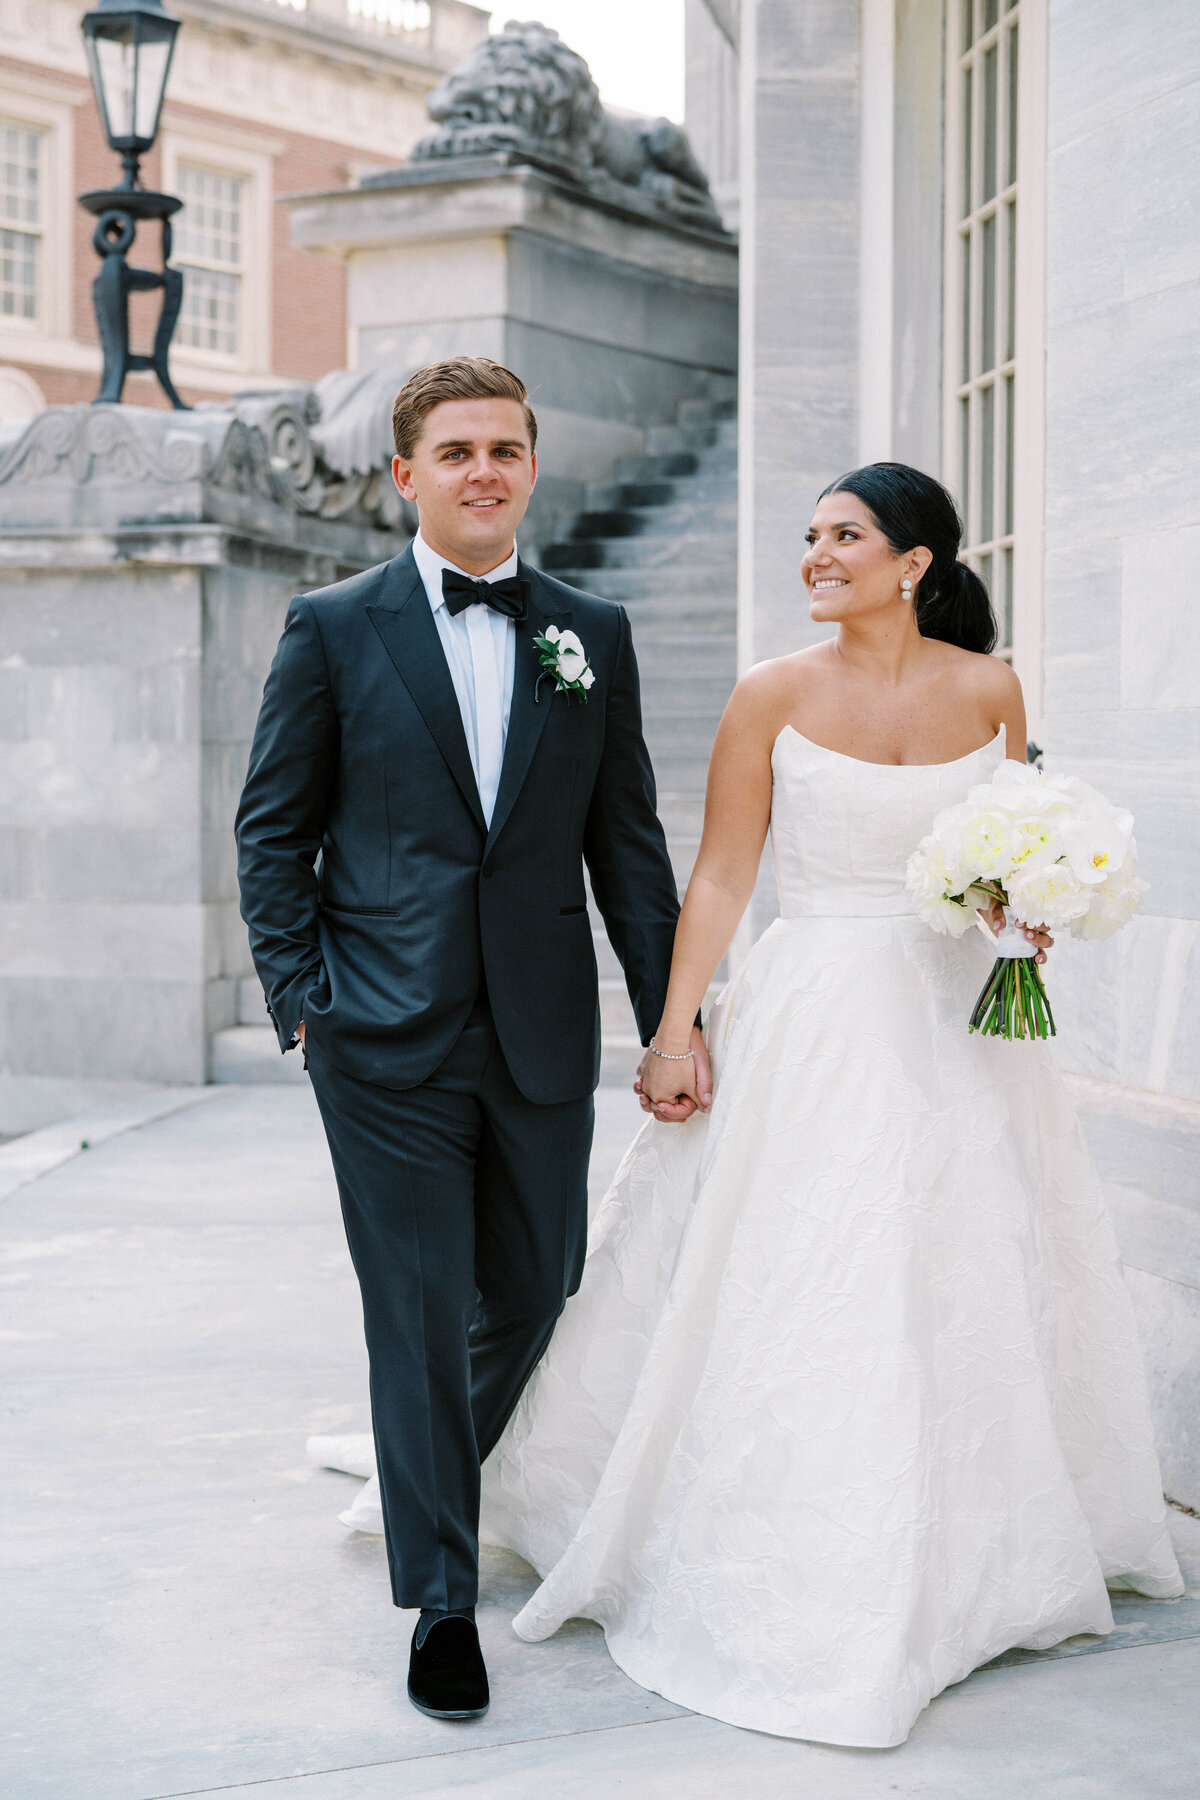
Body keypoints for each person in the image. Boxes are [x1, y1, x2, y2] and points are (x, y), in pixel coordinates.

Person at [478, 462, 1184, 1747]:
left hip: (958, 1024)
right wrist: (675, 1031)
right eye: (810, 535)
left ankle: (970, 1551)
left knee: (964, 1261)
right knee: (815, 1266)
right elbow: (720, 876)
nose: (815, 554)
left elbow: (1010, 855)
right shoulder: (771, 693)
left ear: (914, 563)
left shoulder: (991, 690)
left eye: (844, 535)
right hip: (815, 1017)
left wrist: (1029, 913)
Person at [234, 357, 709, 1722]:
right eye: (456, 452)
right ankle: (441, 1599)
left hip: (543, 1031)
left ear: (531, 467)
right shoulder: (334, 628)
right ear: (407, 475)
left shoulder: (591, 632)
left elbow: (628, 849)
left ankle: (421, 1479)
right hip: (381, 1038)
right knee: (418, 1311)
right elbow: (272, 829)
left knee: (537, 1288)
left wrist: (671, 1022)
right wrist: (304, 998)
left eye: (503, 449)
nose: (483, 471)